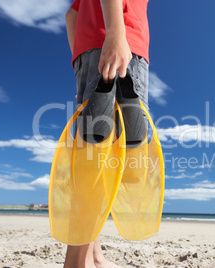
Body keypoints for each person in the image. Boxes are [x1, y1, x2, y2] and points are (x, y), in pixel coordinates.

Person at [64, 0, 150, 267]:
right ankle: (77, 263)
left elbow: (72, 15)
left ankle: (94, 256)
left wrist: (81, 61)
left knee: (99, 157)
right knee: (97, 160)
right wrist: (115, 33)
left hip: (94, 49)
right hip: (122, 44)